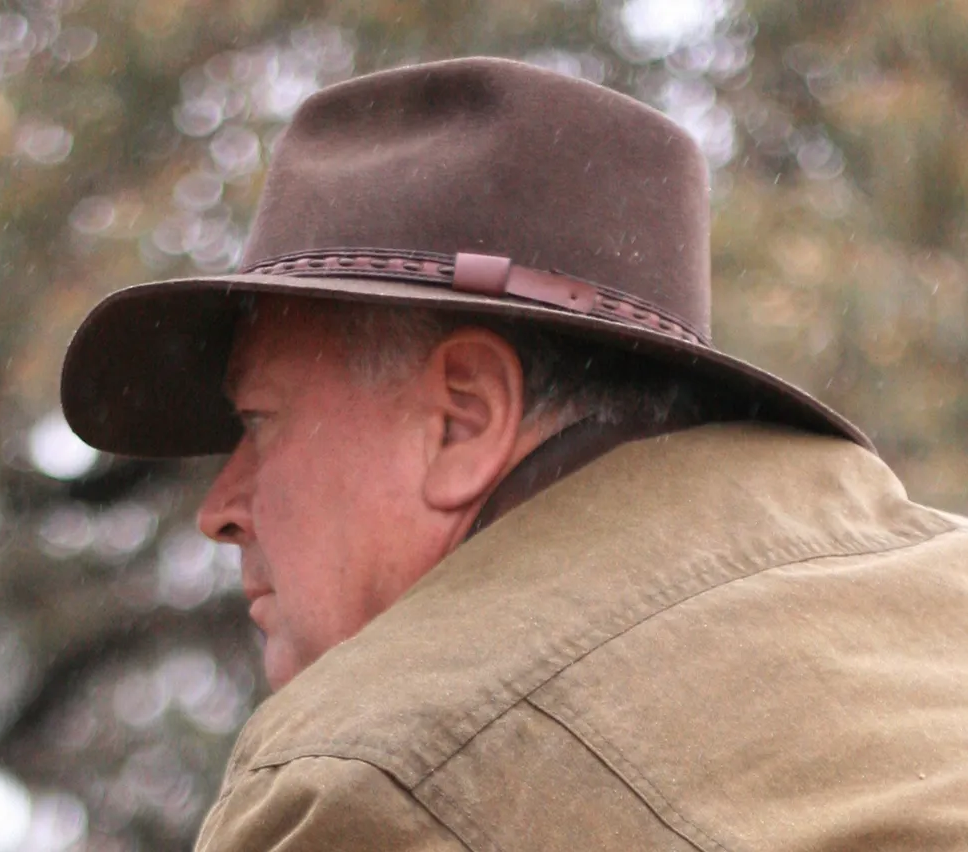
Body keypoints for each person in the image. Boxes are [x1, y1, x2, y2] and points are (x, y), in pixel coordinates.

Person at [61, 57, 968, 851]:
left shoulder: (372, 779)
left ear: (459, 420)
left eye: (256, 421)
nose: (219, 508)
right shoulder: (928, 582)